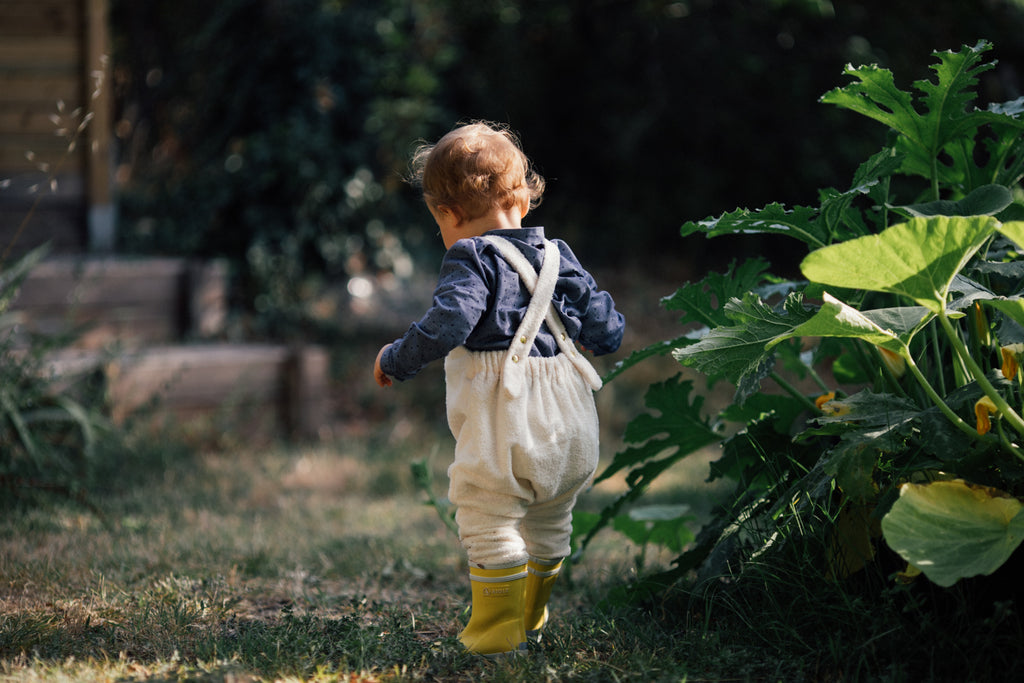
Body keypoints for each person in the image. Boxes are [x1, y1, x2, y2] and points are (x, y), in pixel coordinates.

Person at [373, 121, 625, 657]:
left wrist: (396, 358)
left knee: (488, 515)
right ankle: (531, 619)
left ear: (446, 213)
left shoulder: (473, 257)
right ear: (523, 199)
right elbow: (609, 330)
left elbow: (449, 324)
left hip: (504, 417)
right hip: (571, 422)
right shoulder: (560, 257)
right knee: (551, 517)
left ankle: (495, 635)